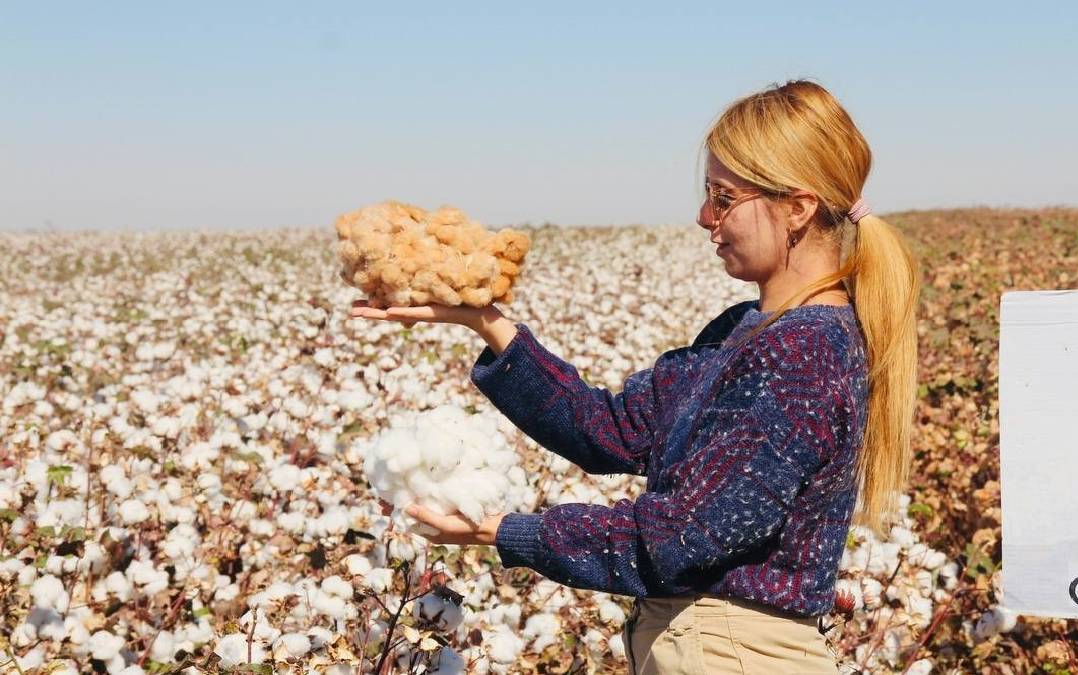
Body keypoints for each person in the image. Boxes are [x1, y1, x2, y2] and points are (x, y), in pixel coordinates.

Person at [351, 78, 920, 674]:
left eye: (724, 197)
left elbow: (685, 535)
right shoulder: (743, 331)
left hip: (734, 653)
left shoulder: (803, 352)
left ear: (797, 208)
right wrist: (486, 322)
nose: (705, 217)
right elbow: (610, 432)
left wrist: (506, 532)